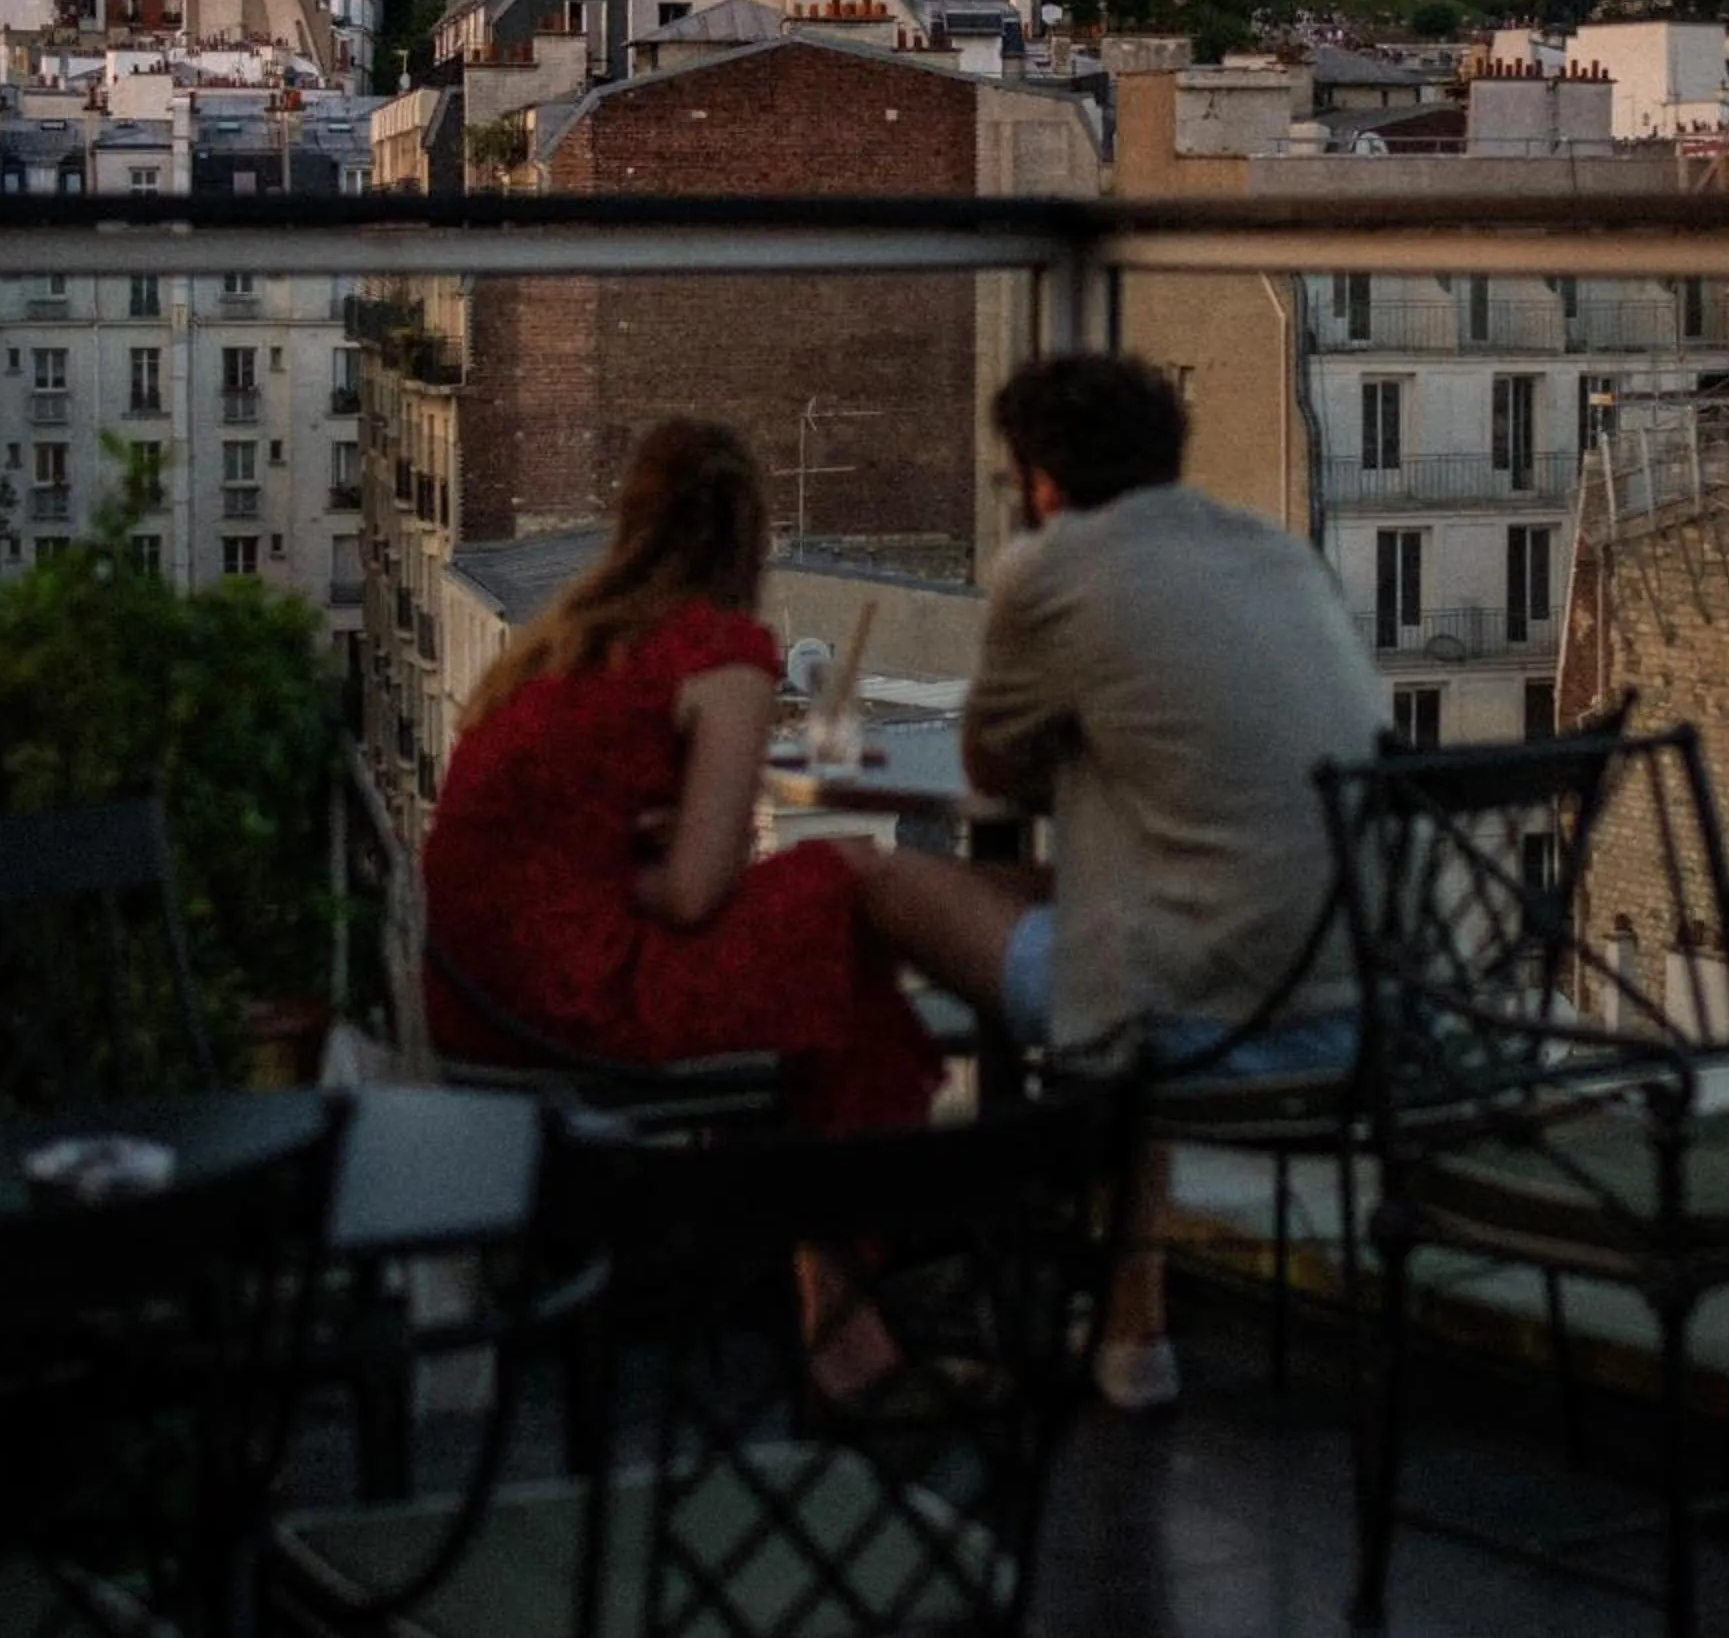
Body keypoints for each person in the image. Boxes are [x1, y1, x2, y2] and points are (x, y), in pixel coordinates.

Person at [852, 352, 1382, 1411]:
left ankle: (869, 1258)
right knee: (1112, 912)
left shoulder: (1051, 569)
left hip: (1196, 1025)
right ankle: (1129, 1331)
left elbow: (991, 769)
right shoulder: (1274, 553)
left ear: (1041, 480)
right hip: (1356, 1007)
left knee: (855, 875)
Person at [422, 417, 938, 1154]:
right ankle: (881, 1180)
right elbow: (693, 895)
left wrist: (630, 857)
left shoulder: (555, 651)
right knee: (851, 879)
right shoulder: (720, 653)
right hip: (577, 1010)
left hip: (475, 1008)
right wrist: (641, 875)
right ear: (750, 540)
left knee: (836, 922)